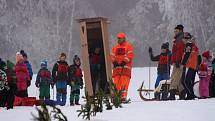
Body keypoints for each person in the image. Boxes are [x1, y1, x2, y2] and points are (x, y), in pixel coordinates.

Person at [111, 32, 134, 101]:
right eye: (118, 38)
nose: (118, 40)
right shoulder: (115, 47)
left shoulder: (128, 46)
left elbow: (130, 55)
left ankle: (123, 97)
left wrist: (124, 62)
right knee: (116, 84)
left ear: (124, 38)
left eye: (120, 38)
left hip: (125, 69)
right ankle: (116, 97)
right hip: (117, 69)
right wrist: (114, 62)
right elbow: (112, 56)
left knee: (124, 83)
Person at [168, 25, 185, 100]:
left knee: (174, 78)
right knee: (179, 79)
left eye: (176, 31)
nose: (175, 32)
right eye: (174, 31)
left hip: (178, 62)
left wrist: (177, 61)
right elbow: (174, 51)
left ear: (180, 31)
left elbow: (179, 51)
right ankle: (182, 94)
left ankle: (172, 95)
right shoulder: (177, 39)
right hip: (176, 61)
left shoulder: (180, 39)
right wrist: (172, 60)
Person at [181, 33, 199, 100]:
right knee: (188, 81)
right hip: (193, 66)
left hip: (189, 65)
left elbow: (187, 54)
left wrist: (183, 63)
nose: (183, 40)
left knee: (185, 81)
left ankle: (191, 95)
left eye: (185, 38)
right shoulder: (193, 46)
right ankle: (189, 95)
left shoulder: (188, 44)